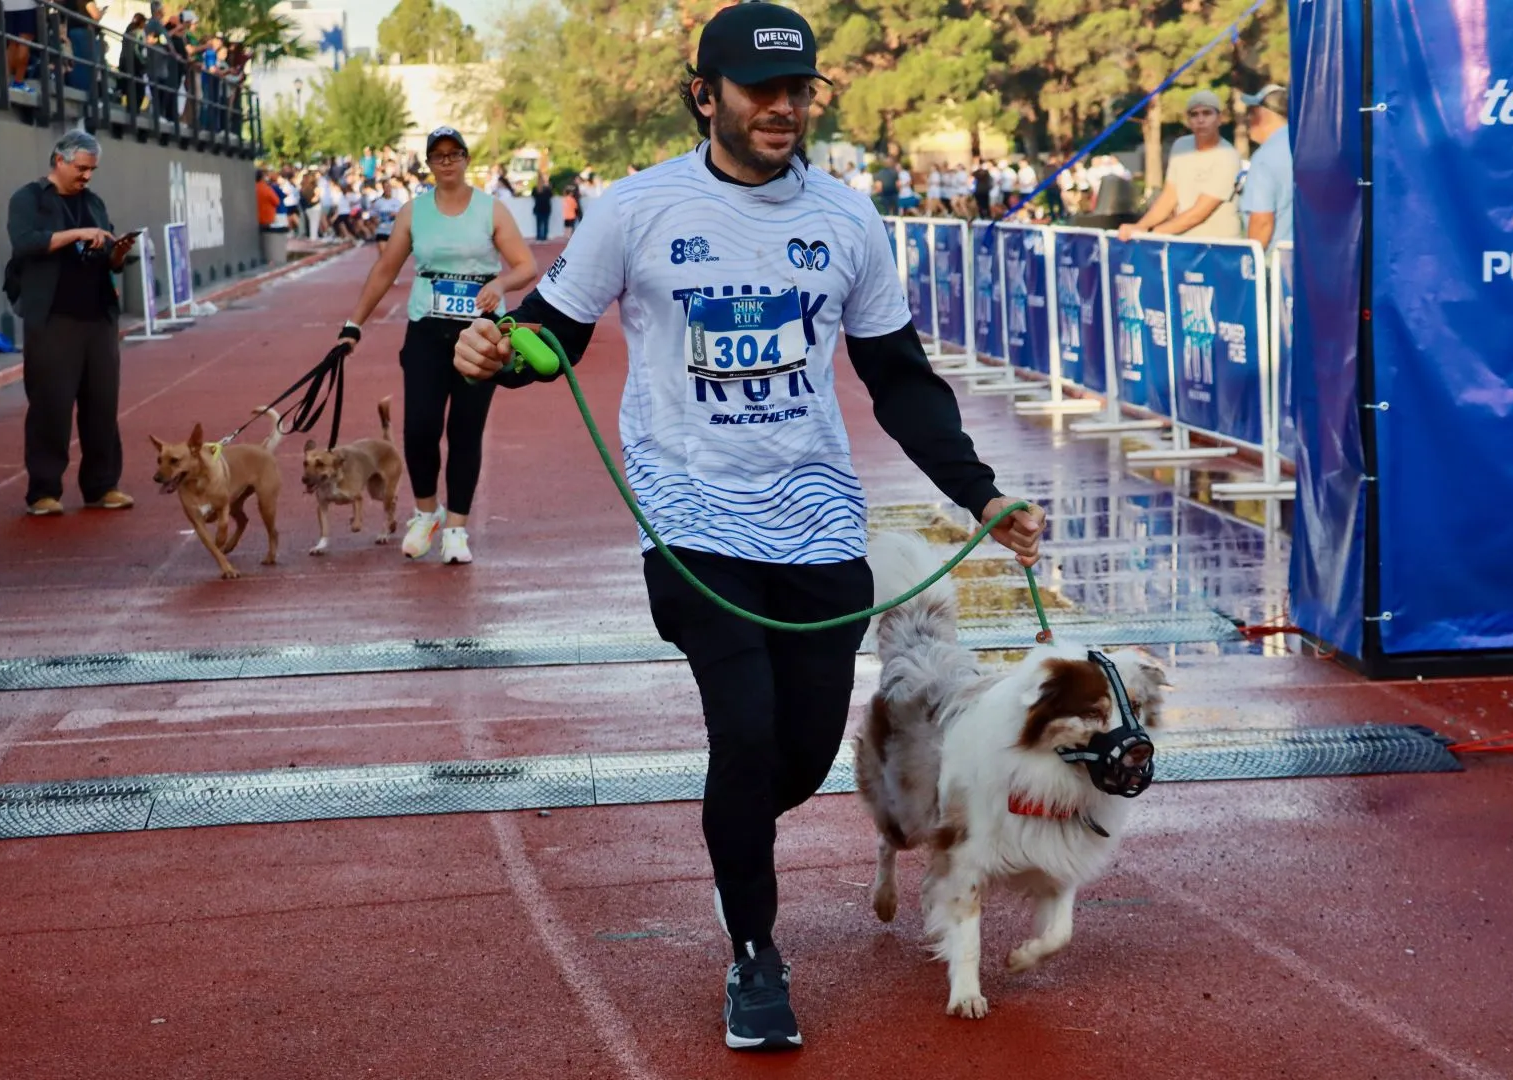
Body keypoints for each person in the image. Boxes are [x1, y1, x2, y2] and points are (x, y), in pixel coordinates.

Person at [452, 2, 1045, 1051]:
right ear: (704, 95)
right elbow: (554, 333)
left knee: (804, 759)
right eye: (761, 89)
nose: (783, 107)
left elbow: (898, 379)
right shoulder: (635, 210)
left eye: (798, 89)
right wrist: (499, 351)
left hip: (819, 528)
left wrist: (980, 492)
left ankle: (737, 842)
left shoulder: (848, 220)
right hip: (689, 521)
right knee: (747, 729)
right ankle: (756, 957)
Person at [334, 126, 538, 565]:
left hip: (480, 336)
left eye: (455, 154)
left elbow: (526, 266)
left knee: (465, 432)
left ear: (466, 159)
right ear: (429, 164)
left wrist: (499, 282)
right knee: (421, 428)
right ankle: (427, 513)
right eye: (438, 156)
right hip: (427, 330)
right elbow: (385, 270)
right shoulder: (414, 212)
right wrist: (354, 324)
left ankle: (457, 529)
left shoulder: (490, 210)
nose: (447, 162)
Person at [5, 131, 138, 517]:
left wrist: (118, 253)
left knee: (102, 405)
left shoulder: (93, 203)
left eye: (92, 170)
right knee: (51, 406)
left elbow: (105, 255)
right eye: (81, 168)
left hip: (98, 318)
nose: (87, 177)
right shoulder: (28, 199)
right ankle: (43, 491)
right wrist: (78, 234)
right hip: (52, 319)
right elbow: (25, 243)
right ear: (59, 161)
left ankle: (102, 486)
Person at [1118, 89, 1242, 240]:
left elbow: (1198, 213)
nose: (1200, 120)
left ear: (1219, 118)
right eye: (1194, 114)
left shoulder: (1228, 156)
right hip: (1184, 243)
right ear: (1188, 120)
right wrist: (1141, 226)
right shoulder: (1181, 146)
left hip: (1219, 246)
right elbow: (1169, 196)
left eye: (1207, 113)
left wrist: (1152, 234)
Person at [1239, 83, 1293, 252]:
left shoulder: (1264, 158)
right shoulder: (1305, 145)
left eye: (1251, 112)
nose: (1248, 119)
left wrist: (1252, 265)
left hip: (1276, 264)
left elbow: (1262, 222)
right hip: (1309, 261)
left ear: (1262, 114)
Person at [531, 172, 554, 242]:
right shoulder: (546, 188)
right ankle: (543, 237)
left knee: (539, 223)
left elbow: (533, 196)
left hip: (539, 208)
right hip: (545, 208)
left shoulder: (536, 188)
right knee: (545, 223)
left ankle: (539, 237)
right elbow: (550, 196)